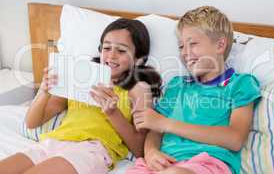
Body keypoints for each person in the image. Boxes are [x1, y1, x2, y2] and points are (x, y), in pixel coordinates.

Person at [0, 18, 162, 174]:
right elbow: (32, 123)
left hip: (91, 150)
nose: (111, 56)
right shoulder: (80, 76)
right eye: (106, 48)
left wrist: (113, 113)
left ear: (139, 59)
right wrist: (43, 92)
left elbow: (140, 149)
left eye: (121, 50)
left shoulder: (137, 89)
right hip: (53, 142)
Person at [126, 6, 261, 174]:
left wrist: (166, 124)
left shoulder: (240, 84)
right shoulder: (177, 86)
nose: (185, 53)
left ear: (220, 45)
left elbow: (235, 139)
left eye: (193, 44)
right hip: (163, 163)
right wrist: (151, 152)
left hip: (206, 164)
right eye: (181, 46)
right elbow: (155, 130)